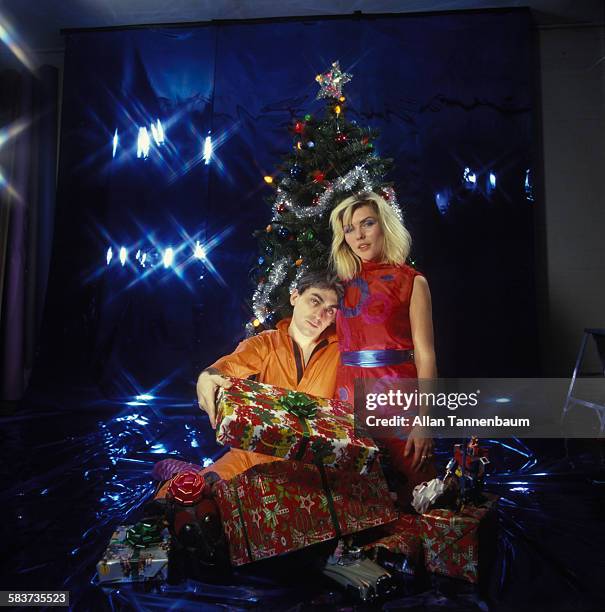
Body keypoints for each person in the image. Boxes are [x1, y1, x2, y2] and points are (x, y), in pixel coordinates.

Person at [152, 269, 344, 483]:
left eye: (330, 311)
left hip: (313, 467)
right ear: (295, 297)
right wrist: (208, 376)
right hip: (253, 457)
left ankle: (185, 469)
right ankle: (183, 473)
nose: (319, 315)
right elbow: (232, 365)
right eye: (315, 301)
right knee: (186, 498)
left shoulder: (342, 351)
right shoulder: (266, 343)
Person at [329, 191, 437, 502]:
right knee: (356, 505)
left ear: (384, 226)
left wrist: (425, 422)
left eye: (367, 224)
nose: (358, 235)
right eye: (349, 229)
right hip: (347, 401)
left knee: (417, 497)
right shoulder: (338, 285)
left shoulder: (412, 281)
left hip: (399, 402)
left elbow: (426, 355)